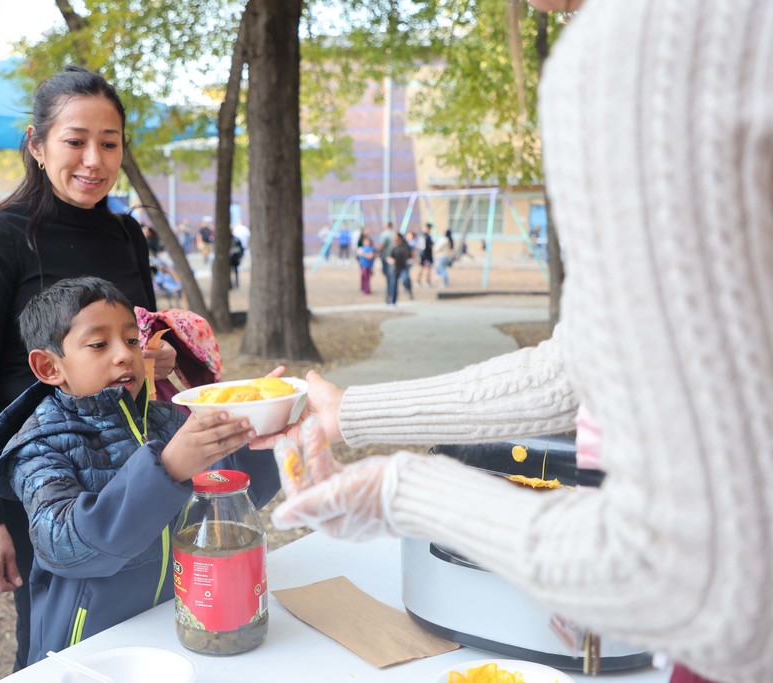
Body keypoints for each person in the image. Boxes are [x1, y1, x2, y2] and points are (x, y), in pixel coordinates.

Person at [261, 1, 769, 682]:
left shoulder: (638, 50)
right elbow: (573, 370)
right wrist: (349, 412)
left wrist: (402, 495)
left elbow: (704, 585)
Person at [0, 65, 178, 672]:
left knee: (146, 615)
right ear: (36, 144)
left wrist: (154, 358)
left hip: (131, 461)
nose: (94, 161)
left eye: (110, 143)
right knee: (52, 637)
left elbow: (131, 337)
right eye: (75, 141)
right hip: (47, 476)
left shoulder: (127, 233)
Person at [0, 277, 279, 664]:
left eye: (131, 340)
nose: (124, 355)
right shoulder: (39, 446)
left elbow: (231, 503)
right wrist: (166, 469)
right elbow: (64, 544)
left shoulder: (167, 420)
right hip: (87, 649)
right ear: (49, 366)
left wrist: (255, 430)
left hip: (172, 625)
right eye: (99, 344)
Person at [387, 232, 413, 305]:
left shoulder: (406, 246)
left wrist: (412, 260)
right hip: (395, 268)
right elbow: (389, 257)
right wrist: (391, 261)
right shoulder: (393, 247)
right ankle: (393, 301)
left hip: (404, 266)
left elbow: (411, 255)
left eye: (396, 238)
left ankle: (408, 289)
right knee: (394, 284)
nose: (395, 239)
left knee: (405, 279)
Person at [376, 222, 394, 301]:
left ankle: (389, 293)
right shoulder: (394, 234)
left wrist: (377, 253)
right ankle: (391, 291)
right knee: (391, 274)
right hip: (393, 257)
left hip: (385, 257)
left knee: (388, 275)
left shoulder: (384, 234)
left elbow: (381, 245)